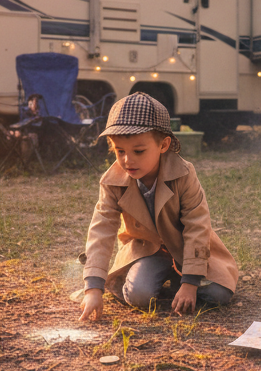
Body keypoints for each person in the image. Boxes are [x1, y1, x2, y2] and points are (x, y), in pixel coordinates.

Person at [78, 93, 238, 321]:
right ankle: (143, 276)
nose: (127, 160)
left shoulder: (184, 173)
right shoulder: (112, 181)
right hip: (147, 251)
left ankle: (180, 278)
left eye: (138, 151)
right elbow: (101, 231)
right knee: (139, 296)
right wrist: (93, 287)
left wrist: (191, 282)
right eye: (119, 151)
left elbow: (197, 226)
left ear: (163, 145)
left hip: (186, 248)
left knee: (218, 293)